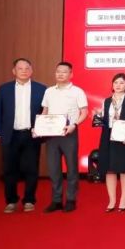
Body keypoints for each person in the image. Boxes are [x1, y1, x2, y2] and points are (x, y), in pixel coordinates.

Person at [0, 58, 46, 213]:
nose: (24, 71)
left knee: (31, 169)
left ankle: (29, 200)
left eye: (27, 68)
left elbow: (46, 112)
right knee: (9, 169)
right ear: (14, 71)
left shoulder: (41, 89)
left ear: (31, 71)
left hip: (31, 135)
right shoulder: (4, 89)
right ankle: (11, 201)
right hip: (10, 134)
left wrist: (44, 130)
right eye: (20, 68)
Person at [38, 61, 88, 213]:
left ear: (71, 74)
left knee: (72, 168)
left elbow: (84, 112)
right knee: (53, 168)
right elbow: (45, 111)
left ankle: (71, 199)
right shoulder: (49, 91)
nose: (60, 74)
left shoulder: (77, 91)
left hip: (69, 132)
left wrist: (74, 125)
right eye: (58, 71)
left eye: (64, 72)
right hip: (51, 133)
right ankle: (56, 200)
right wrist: (39, 126)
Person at [96, 73, 125, 212]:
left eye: (121, 83)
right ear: (112, 85)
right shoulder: (106, 101)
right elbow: (103, 120)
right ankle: (112, 200)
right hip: (108, 137)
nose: (118, 85)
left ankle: (123, 199)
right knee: (109, 169)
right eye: (116, 82)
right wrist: (97, 117)